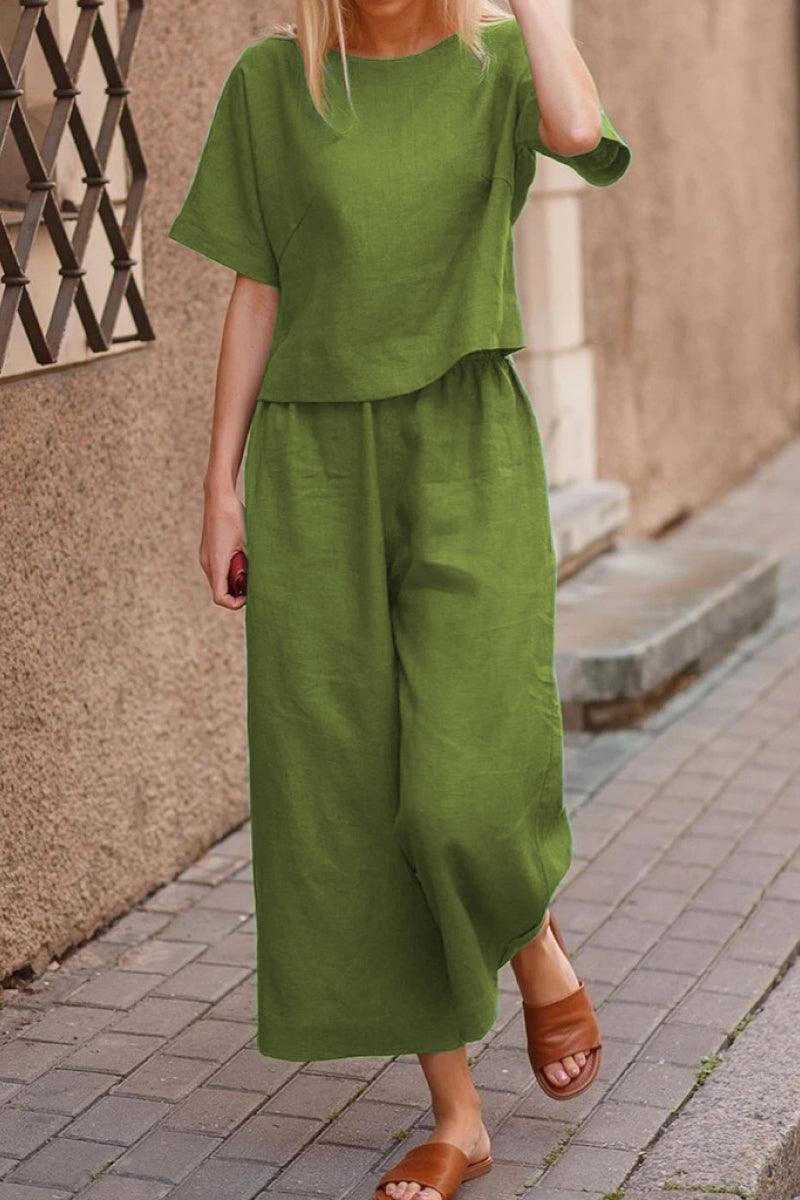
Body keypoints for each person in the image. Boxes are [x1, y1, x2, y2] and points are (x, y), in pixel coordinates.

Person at [168, 1, 632, 1197]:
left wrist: (536, 9)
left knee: (460, 787)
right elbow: (258, 287)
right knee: (355, 791)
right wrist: (219, 487)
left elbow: (579, 133)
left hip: (462, 446)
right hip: (314, 466)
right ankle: (456, 1117)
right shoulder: (273, 83)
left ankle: (526, 932)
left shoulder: (494, 63)